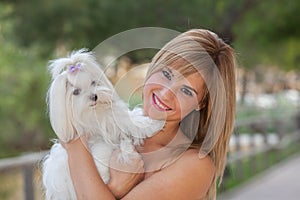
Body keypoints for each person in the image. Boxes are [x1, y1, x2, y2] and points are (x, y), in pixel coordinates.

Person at [62, 29, 236, 200]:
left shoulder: (195, 166)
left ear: (201, 103)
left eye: (186, 91)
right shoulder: (109, 128)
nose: (166, 94)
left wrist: (74, 143)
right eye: (167, 74)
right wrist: (115, 188)